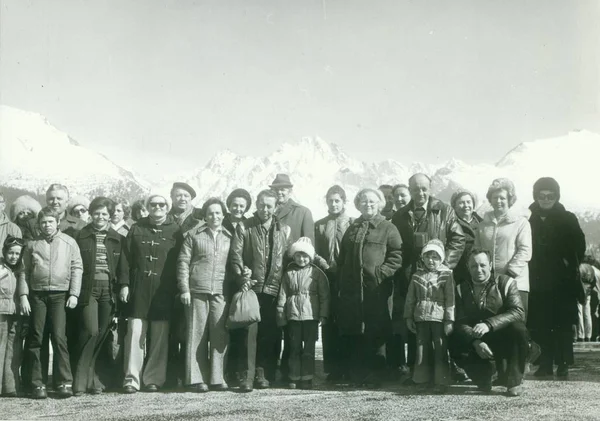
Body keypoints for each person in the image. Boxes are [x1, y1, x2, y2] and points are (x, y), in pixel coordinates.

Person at [391, 173, 465, 382]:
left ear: (430, 188)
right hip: (413, 277)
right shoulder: (400, 215)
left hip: (439, 278)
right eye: (415, 189)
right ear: (410, 190)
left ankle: (442, 372)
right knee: (417, 323)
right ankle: (419, 373)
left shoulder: (444, 210)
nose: (420, 193)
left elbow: (458, 239)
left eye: (424, 188)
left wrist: (443, 266)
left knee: (439, 326)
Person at [337, 188, 402, 387]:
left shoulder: (388, 228)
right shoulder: (352, 227)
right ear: (358, 205)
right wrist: (343, 281)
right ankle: (359, 374)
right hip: (352, 289)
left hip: (377, 289)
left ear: (380, 203)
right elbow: (343, 258)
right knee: (356, 329)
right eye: (364, 201)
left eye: (372, 201)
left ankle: (377, 374)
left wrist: (380, 273)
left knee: (377, 329)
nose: (368, 204)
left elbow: (397, 255)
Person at [118, 192, 182, 393]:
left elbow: (181, 261)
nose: (157, 207)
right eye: (153, 204)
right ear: (148, 206)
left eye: (162, 204)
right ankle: (131, 379)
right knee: (135, 333)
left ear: (167, 206)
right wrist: (124, 284)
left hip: (164, 290)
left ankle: (153, 379)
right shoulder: (137, 228)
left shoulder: (176, 231)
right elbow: (125, 259)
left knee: (160, 336)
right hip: (139, 288)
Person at [229, 189, 291, 391]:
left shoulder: (283, 229)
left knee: (269, 333)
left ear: (276, 208)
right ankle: (245, 376)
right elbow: (236, 256)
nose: (265, 209)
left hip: (273, 287)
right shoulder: (244, 227)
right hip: (252, 287)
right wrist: (241, 277)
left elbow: (285, 258)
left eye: (269, 206)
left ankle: (263, 373)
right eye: (262, 205)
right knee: (248, 332)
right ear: (256, 204)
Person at [19, 207, 83, 399]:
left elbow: (77, 268)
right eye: (43, 222)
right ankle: (37, 383)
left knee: (59, 337)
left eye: (50, 222)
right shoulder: (32, 245)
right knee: (37, 337)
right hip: (37, 296)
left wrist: (74, 294)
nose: (47, 225)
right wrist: (23, 295)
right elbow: (24, 271)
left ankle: (64, 381)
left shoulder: (69, 242)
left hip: (60, 295)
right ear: (39, 224)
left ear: (57, 223)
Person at [527, 177, 585, 378]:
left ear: (556, 196)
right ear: (536, 196)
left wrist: (567, 263)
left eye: (550, 196)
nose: (545, 200)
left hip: (562, 282)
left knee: (562, 325)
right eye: (541, 196)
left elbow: (579, 245)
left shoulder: (568, 218)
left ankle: (563, 365)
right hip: (538, 281)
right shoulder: (530, 218)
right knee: (541, 324)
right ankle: (544, 364)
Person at [450, 249, 528, 397]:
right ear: (468, 267)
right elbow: (459, 321)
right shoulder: (460, 289)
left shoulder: (506, 283)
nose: (478, 269)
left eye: (482, 265)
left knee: (519, 329)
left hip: (502, 338)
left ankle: (514, 381)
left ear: (490, 265)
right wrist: (475, 341)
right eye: (473, 266)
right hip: (478, 340)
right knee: (453, 335)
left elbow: (518, 312)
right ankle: (487, 374)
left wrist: (489, 324)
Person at [177, 198, 232, 393]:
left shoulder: (229, 236)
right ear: (205, 216)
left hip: (220, 291)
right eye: (210, 213)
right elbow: (183, 262)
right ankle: (196, 379)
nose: (214, 216)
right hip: (197, 290)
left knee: (219, 334)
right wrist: (184, 289)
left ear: (223, 215)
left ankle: (217, 378)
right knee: (197, 334)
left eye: (218, 213)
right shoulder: (194, 235)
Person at [72, 197, 123, 396]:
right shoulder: (81, 235)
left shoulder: (117, 238)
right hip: (88, 288)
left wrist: (123, 287)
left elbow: (123, 267)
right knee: (91, 331)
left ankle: (94, 381)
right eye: (96, 213)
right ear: (90, 214)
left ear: (110, 216)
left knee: (102, 334)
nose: (100, 217)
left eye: (104, 214)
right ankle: (79, 381)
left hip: (109, 290)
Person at [270, 174, 314, 381]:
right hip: (270, 275)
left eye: (284, 188)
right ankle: (270, 369)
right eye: (277, 188)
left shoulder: (302, 212)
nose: (281, 192)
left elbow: (309, 244)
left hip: (293, 273)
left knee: (293, 326)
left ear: (290, 189)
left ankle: (292, 372)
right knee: (273, 323)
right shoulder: (267, 210)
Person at [277, 237, 329, 390]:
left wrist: (323, 315)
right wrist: (281, 315)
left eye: (305, 256)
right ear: (294, 256)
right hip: (293, 315)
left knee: (309, 349)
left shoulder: (317, 273)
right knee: (294, 347)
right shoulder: (288, 274)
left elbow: (325, 296)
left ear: (310, 257)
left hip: (310, 316)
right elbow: (282, 295)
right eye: (298, 255)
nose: (302, 259)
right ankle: (294, 376)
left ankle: (307, 377)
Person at [475, 178, 532, 316]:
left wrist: (509, 275)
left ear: (510, 199)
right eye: (495, 197)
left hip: (516, 282)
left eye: (502, 198)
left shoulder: (521, 223)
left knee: (516, 325)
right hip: (490, 284)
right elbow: (477, 251)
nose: (498, 201)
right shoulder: (482, 225)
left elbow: (525, 251)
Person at [404, 239, 454, 394]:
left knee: (440, 348)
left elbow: (450, 299)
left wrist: (449, 319)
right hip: (421, 317)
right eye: (428, 256)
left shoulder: (446, 275)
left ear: (442, 258)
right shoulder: (416, 276)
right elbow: (410, 299)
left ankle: (442, 381)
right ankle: (421, 379)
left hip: (439, 318)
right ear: (422, 258)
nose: (431, 260)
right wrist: (409, 317)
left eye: (435, 257)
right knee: (421, 347)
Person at [313, 185, 353, 381]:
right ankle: (333, 368)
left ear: (344, 201)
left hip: (347, 276)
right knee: (329, 321)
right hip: (327, 275)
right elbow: (314, 250)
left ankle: (349, 365)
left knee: (347, 319)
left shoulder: (352, 223)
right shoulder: (319, 225)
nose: (334, 204)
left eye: (337, 200)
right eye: (331, 200)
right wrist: (325, 265)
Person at [166, 182, 202, 389]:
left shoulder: (198, 221)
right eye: (178, 195)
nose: (182, 199)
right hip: (167, 281)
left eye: (186, 195)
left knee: (190, 329)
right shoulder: (165, 218)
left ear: (191, 199)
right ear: (171, 198)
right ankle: (170, 376)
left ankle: (190, 375)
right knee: (170, 329)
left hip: (192, 281)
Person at [0, 236, 25, 397]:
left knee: (13, 349)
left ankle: (10, 386)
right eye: (11, 253)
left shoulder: (20, 270)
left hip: (16, 313)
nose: (14, 257)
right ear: (4, 252)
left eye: (17, 254)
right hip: (1, 313)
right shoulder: (1, 269)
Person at [450, 190, 483, 284]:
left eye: (468, 202)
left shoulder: (482, 223)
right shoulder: (450, 224)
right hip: (459, 273)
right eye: (461, 203)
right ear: (454, 206)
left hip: (479, 271)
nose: (466, 206)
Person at [577, 259, 600, 342]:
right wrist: (589, 288)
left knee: (580, 312)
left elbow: (578, 279)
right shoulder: (590, 268)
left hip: (581, 289)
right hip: (589, 289)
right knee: (587, 313)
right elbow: (594, 281)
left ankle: (581, 335)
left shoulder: (580, 267)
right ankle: (588, 336)